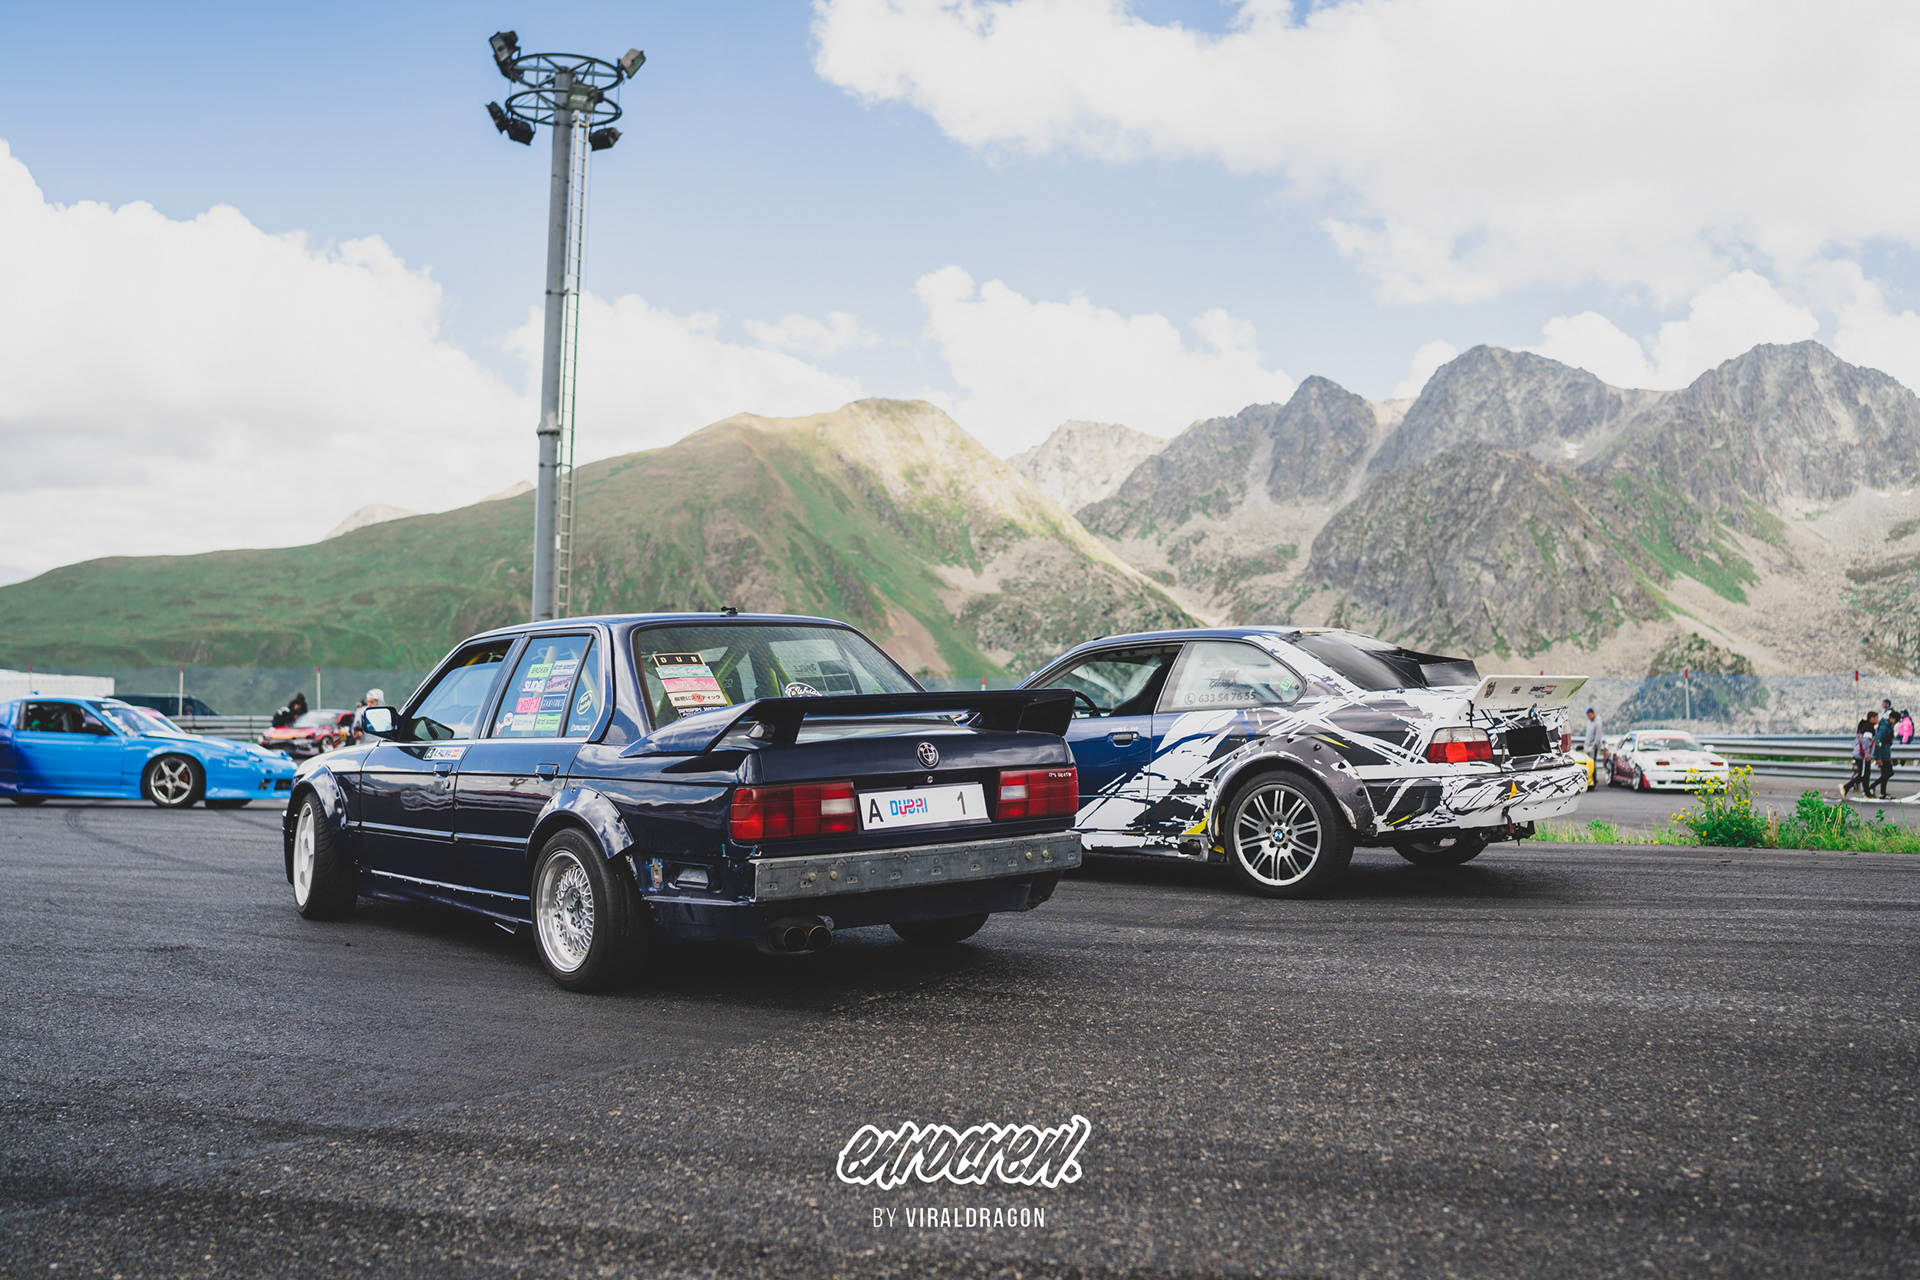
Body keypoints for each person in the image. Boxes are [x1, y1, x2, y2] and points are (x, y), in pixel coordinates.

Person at [1842, 713, 1875, 800]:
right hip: (1863, 755)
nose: (1877, 720)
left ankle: (1867, 793)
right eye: (1876, 718)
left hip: (1861, 754)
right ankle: (1845, 787)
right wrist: (1867, 753)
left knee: (1866, 774)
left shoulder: (1864, 726)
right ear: (1872, 718)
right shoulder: (1869, 728)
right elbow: (1866, 741)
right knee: (1863, 775)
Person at [1874, 705, 1897, 798]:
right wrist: (1879, 757)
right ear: (1891, 718)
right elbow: (1878, 741)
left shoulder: (1887, 726)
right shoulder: (1885, 727)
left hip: (1885, 753)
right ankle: (1874, 786)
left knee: (1885, 773)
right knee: (1889, 772)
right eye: (1895, 720)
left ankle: (1882, 793)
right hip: (1883, 754)